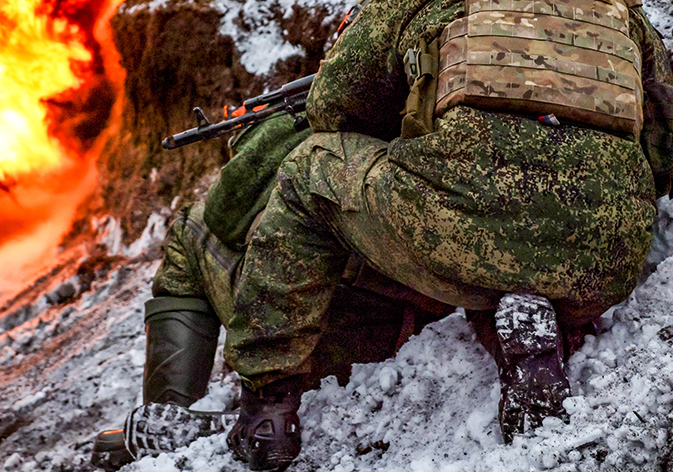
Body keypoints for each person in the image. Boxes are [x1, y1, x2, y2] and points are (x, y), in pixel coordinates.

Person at [223, 0, 673, 470]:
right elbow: (665, 133)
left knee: (312, 169)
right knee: (504, 237)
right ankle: (528, 326)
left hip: (466, 232)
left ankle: (267, 404)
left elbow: (333, 109)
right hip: (606, 261)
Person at [91, 115, 454, 470]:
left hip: (327, 346)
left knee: (191, 229)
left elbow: (224, 209)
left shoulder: (359, 102)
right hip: (427, 332)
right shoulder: (456, 118)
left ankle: (168, 424)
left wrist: (274, 123)